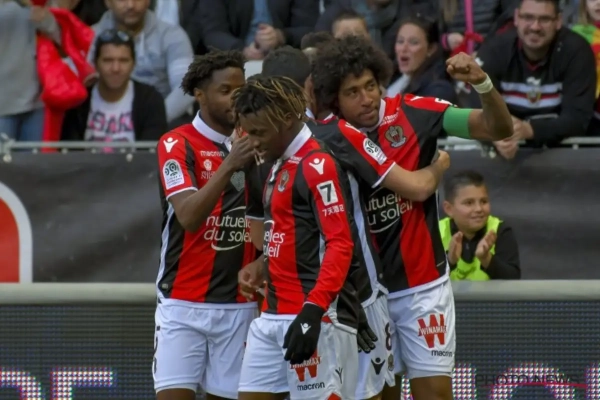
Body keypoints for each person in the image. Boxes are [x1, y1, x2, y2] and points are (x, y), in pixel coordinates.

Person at [241, 49, 451, 400]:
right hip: (292, 305)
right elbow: (276, 234)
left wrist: (438, 167)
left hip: (351, 299)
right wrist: (264, 263)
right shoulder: (268, 149)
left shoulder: (334, 137)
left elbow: (343, 237)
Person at [311, 35, 513, 400]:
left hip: (423, 287)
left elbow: (498, 129)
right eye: (352, 92)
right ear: (334, 100)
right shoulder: (328, 138)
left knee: (434, 393)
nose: (366, 98)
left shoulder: (416, 112)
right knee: (382, 394)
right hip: (366, 294)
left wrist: (481, 82)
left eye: (370, 85)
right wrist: (436, 170)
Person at [233, 75, 360, 400]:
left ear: (287, 118)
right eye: (248, 132)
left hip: (316, 317)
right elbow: (292, 236)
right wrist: (263, 265)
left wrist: (313, 311)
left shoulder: (317, 164)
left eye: (259, 132)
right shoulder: (278, 162)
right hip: (272, 314)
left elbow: (340, 243)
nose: (253, 142)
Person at [154, 50, 259, 400]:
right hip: (183, 303)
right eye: (225, 91)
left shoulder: (258, 142)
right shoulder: (176, 143)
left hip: (240, 306)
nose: (235, 99)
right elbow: (188, 216)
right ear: (200, 94)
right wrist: (230, 164)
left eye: (240, 90)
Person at [61, 29, 167, 143]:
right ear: (96, 63)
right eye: (108, 60)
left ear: (133, 64)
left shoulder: (150, 99)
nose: (116, 68)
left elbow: (151, 150)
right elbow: (69, 150)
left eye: (123, 61)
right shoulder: (79, 102)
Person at [439, 170, 521, 281]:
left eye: (483, 201)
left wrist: (486, 259)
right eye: (469, 203)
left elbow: (513, 280)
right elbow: (423, 282)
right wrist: (450, 261)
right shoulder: (436, 232)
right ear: (449, 209)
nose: (478, 209)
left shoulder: (500, 231)